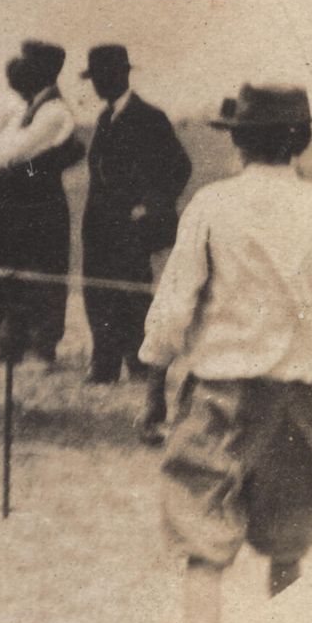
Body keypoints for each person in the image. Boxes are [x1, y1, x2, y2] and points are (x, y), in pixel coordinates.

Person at [141, 84, 312, 623]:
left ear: (239, 140)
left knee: (203, 539)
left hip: (220, 396)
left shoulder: (213, 204)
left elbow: (175, 303)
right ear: (301, 141)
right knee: (289, 543)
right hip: (296, 396)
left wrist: (154, 380)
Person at [79, 44, 192, 404]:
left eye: (103, 77)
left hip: (130, 229)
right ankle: (104, 365)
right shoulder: (104, 118)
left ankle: (140, 363)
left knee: (131, 292)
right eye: (94, 78)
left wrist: (151, 205)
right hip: (100, 226)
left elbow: (180, 166)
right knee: (97, 293)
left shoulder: (150, 118)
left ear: (123, 75)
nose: (98, 84)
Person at [0, 42, 83, 364]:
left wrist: (7, 151)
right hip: (20, 194)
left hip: (40, 200)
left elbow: (11, 153)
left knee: (40, 270)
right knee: (9, 266)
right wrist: (9, 153)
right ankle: (8, 341)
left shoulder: (53, 111)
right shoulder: (28, 107)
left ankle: (41, 347)